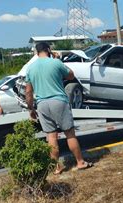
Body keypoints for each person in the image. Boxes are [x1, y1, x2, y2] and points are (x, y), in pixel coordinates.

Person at [25, 42, 93, 175]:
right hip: (58, 101)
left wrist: (31, 109)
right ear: (48, 50)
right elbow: (71, 75)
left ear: (36, 52)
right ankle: (80, 162)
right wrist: (59, 60)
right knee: (69, 133)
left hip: (42, 104)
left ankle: (57, 167)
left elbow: (28, 92)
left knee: (51, 137)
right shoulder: (55, 63)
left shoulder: (30, 68)